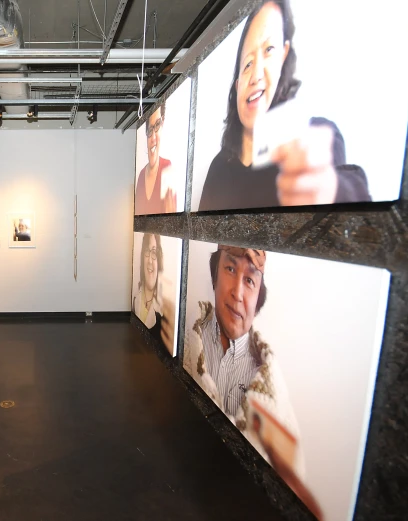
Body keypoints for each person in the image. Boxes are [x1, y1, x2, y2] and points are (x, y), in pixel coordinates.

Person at [182, 245, 320, 514]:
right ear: (214, 276)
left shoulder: (269, 385)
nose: (238, 292)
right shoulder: (188, 335)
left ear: (259, 299)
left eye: (250, 280)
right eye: (230, 269)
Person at [198, 0, 370, 211]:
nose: (256, 75)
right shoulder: (219, 166)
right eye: (248, 63)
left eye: (269, 49)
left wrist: (332, 188)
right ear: (237, 86)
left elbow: (355, 204)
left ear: (283, 56)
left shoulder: (313, 134)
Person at [131, 233, 175, 354]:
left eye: (154, 253)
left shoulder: (164, 316)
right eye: (147, 251)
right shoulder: (135, 300)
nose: (150, 260)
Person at [134, 103, 178, 215]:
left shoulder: (167, 169)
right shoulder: (141, 176)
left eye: (157, 125)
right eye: (149, 130)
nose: (153, 138)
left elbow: (170, 224)